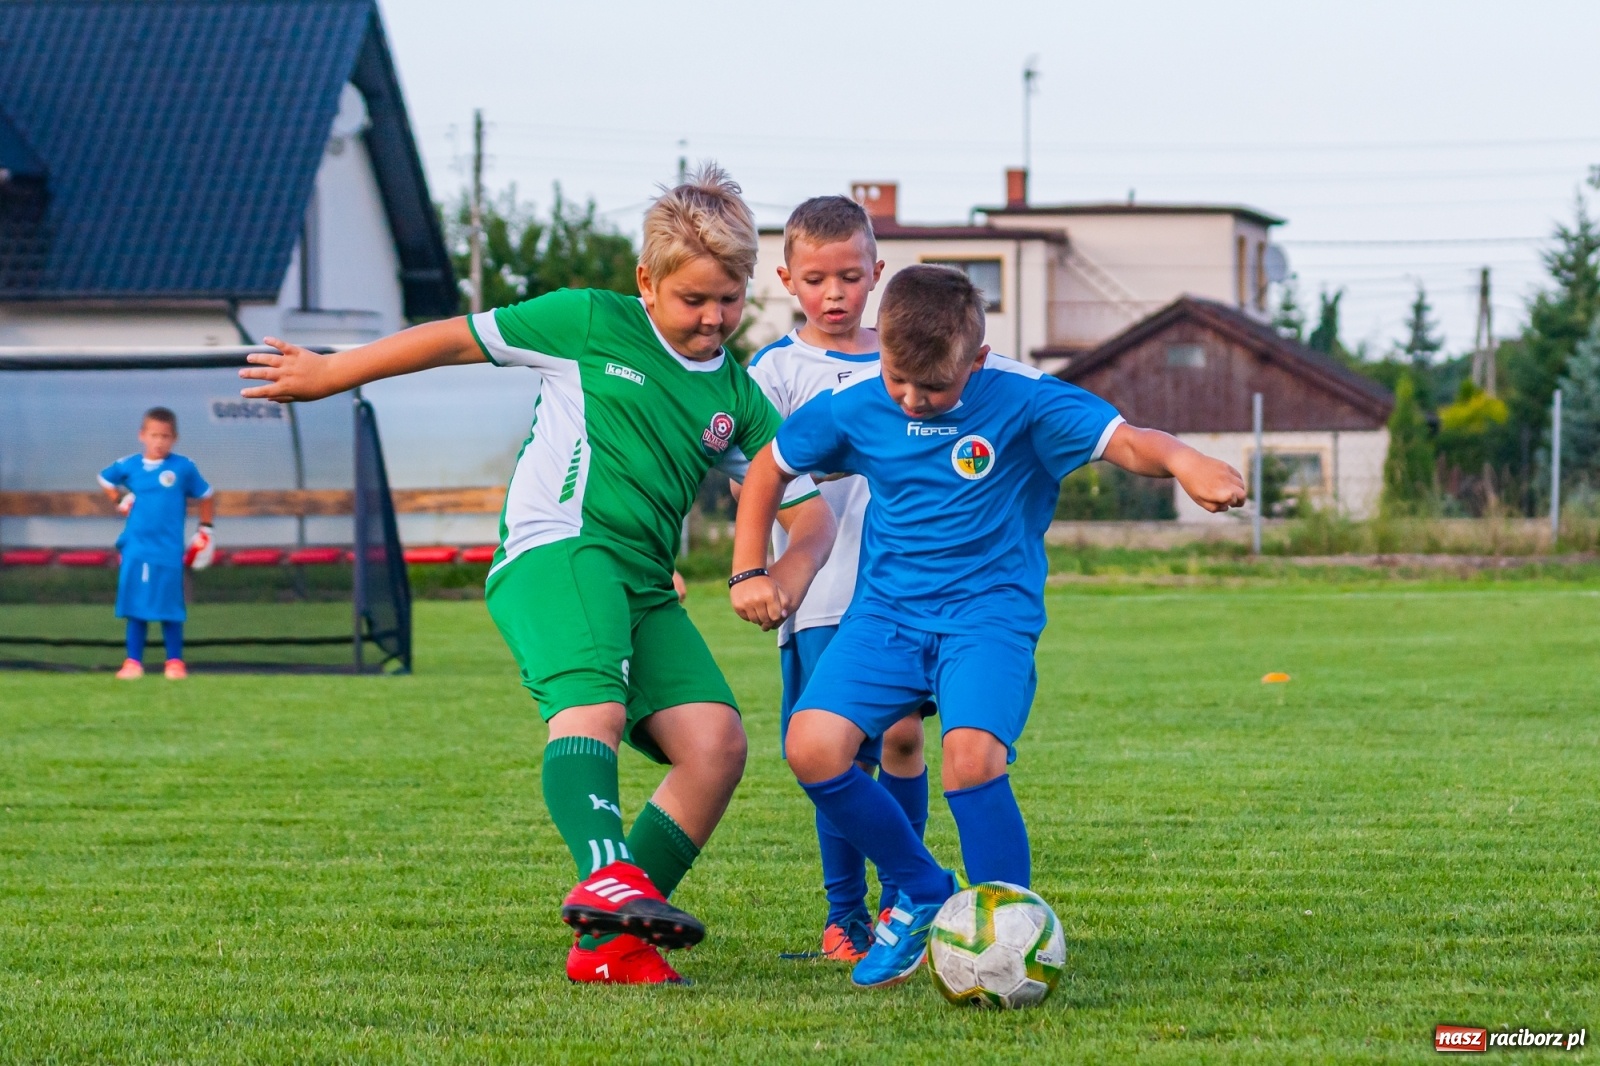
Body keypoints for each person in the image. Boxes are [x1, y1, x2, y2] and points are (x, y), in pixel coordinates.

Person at [238, 163, 835, 986]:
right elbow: (454, 337)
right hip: (557, 548)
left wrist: (781, 576)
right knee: (591, 703)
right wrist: (331, 372)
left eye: (729, 300)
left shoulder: (738, 393)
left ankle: (608, 945)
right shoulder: (585, 321)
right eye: (694, 300)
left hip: (644, 583)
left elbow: (812, 515)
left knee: (716, 745)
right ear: (646, 282)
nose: (713, 318)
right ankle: (607, 873)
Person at [729, 265, 1247, 988]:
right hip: (887, 615)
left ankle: (1012, 938)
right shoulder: (861, 403)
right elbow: (770, 465)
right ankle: (922, 889)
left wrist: (1188, 462)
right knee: (812, 747)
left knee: (971, 756)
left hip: (987, 619)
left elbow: (1126, 439)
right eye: (898, 380)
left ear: (975, 359)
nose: (913, 398)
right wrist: (748, 567)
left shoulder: (1024, 401)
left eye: (933, 388)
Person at [745, 195, 929, 962]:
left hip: (908, 597)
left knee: (908, 739)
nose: (834, 293)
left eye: (850, 277)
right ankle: (844, 918)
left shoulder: (912, 367)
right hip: (820, 602)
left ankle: (904, 901)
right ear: (788, 278)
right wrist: (762, 572)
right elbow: (753, 481)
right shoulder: (775, 372)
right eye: (816, 278)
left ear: (876, 275)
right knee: (837, 756)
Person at [98, 406, 215, 680]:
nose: (159, 441)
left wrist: (206, 530)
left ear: (174, 438)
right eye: (154, 435)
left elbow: (207, 495)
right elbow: (104, 478)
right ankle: (133, 662)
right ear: (142, 435)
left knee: (170, 606)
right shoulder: (130, 465)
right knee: (135, 605)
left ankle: (174, 662)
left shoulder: (183, 467)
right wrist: (119, 499)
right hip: (136, 548)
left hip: (169, 550)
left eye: (165, 436)